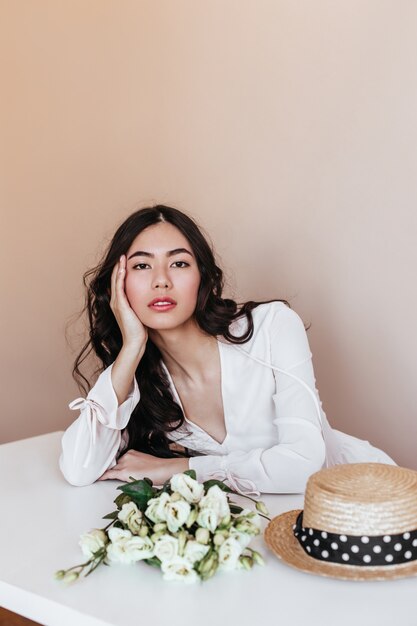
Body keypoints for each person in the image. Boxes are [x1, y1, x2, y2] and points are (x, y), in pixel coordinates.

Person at [59, 205, 395, 495]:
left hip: (366, 494)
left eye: (179, 264)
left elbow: (303, 466)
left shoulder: (272, 327)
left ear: (203, 278)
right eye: (142, 266)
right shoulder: (138, 378)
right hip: (276, 530)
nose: (161, 280)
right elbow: (79, 468)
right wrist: (131, 347)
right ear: (118, 285)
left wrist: (181, 467)